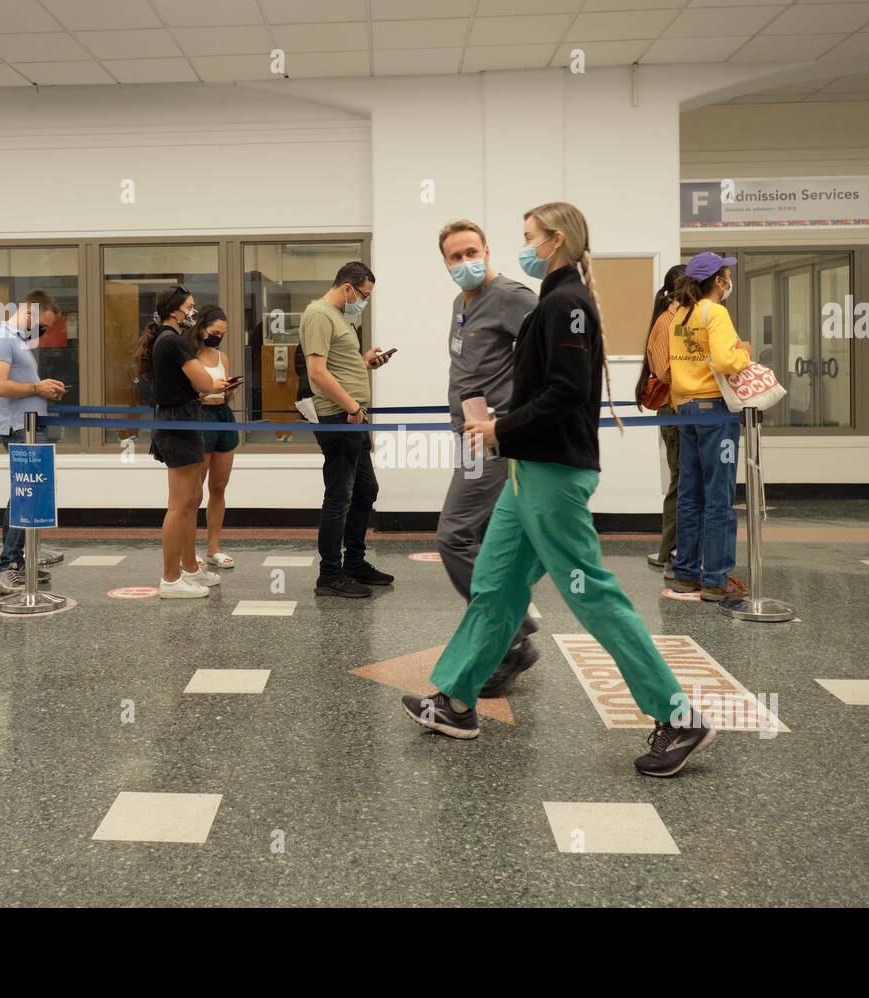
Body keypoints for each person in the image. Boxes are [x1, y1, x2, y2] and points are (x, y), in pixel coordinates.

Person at [401, 201, 716, 779]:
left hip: (552, 473)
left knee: (591, 593)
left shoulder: (564, 304)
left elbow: (568, 395)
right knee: (495, 585)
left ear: (557, 240)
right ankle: (457, 700)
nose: (525, 247)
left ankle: (679, 715)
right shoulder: (552, 300)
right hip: (525, 472)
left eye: (530, 237)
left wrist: (498, 426)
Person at [434, 219, 541, 697]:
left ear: (486, 250)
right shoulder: (462, 302)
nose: (463, 262)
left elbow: (547, 356)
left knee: (454, 535)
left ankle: (513, 635)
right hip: (469, 436)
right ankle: (512, 621)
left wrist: (515, 417)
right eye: (454, 257)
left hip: (493, 441)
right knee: (485, 540)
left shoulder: (512, 297)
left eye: (470, 252)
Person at [301, 262, 394, 598]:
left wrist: (364, 362)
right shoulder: (319, 314)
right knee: (339, 496)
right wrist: (353, 408)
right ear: (347, 288)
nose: (364, 302)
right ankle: (329, 576)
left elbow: (337, 364)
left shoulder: (340, 317)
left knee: (365, 491)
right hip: (338, 417)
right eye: (364, 295)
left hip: (354, 417)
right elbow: (317, 372)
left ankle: (354, 563)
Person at [667, 252, 754, 603]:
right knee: (718, 495)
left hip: (685, 409)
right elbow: (723, 360)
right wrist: (743, 353)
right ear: (718, 281)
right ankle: (716, 578)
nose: (729, 281)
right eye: (727, 275)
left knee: (690, 494)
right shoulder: (714, 312)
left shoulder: (681, 316)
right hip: (715, 411)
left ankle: (686, 573)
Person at [134, 286, 229, 598]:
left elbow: (192, 386)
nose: (193, 310)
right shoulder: (173, 341)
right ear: (175, 310)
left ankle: (189, 568)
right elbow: (203, 382)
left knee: (191, 501)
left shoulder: (167, 340)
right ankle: (171, 578)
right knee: (179, 506)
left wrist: (207, 386)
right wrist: (214, 383)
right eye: (189, 306)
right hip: (178, 425)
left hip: (182, 420)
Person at [0, 290, 66, 595]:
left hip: (30, 426)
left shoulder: (18, 341)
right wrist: (36, 386)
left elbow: (21, 386)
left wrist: (43, 391)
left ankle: (17, 563)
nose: (42, 332)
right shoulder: (4, 339)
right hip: (21, 429)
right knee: (27, 497)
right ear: (30, 312)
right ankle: (6, 567)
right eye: (42, 325)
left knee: (22, 495)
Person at [636, 263, 687, 581]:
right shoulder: (666, 324)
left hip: (685, 411)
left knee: (684, 481)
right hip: (674, 410)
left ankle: (675, 549)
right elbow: (667, 372)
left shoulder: (682, 321)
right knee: (680, 481)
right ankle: (669, 551)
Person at [191, 304, 238, 570]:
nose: (218, 337)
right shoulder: (190, 357)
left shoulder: (222, 357)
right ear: (201, 328)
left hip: (222, 414)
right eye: (214, 331)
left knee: (218, 487)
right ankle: (189, 546)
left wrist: (229, 388)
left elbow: (225, 390)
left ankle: (213, 547)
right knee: (192, 490)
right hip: (200, 415)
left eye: (222, 333)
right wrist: (208, 390)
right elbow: (186, 395)